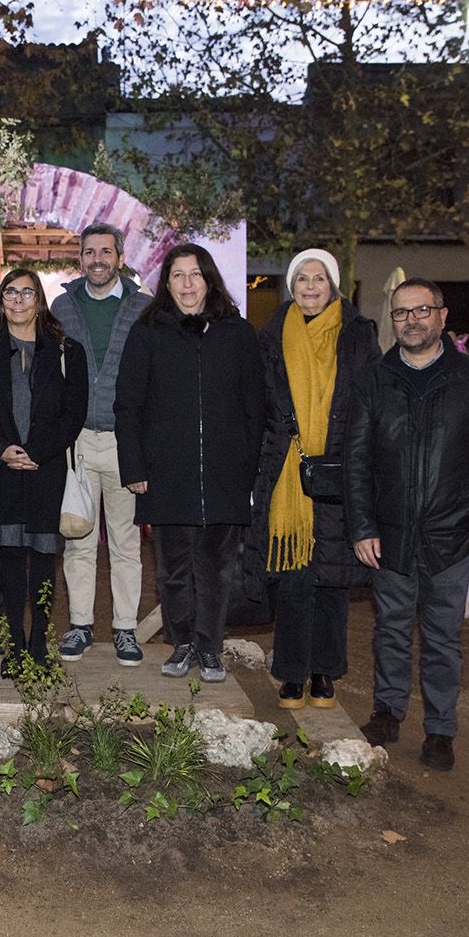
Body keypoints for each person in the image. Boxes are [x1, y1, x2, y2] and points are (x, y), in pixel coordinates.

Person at [345, 277, 469, 771]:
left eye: (422, 310)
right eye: (402, 313)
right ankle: (387, 713)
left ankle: (441, 730)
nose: (412, 320)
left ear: (443, 317)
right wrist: (362, 527)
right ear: (393, 322)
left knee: (443, 638)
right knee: (391, 631)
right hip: (389, 534)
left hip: (452, 534)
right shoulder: (372, 381)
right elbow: (355, 460)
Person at [115, 243, 265, 684]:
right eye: (177, 275)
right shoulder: (148, 331)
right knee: (174, 569)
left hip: (224, 475)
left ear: (209, 279)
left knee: (218, 570)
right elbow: (128, 405)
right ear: (167, 283)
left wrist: (246, 469)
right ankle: (182, 643)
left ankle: (210, 648)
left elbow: (254, 406)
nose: (186, 284)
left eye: (194, 274)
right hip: (166, 474)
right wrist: (135, 468)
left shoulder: (237, 334)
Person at [248, 248, 380, 710]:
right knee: (293, 577)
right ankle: (291, 672)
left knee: (333, 577)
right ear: (291, 285)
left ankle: (325, 672)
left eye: (318, 279)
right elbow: (259, 402)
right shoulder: (270, 335)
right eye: (301, 278)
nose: (309, 287)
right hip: (286, 468)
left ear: (333, 285)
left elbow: (371, 401)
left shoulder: (358, 334)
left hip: (341, 468)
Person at [0, 269, 87, 675]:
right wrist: (3, 449)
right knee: (7, 563)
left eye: (27, 292)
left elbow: (74, 413)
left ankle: (40, 642)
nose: (19, 300)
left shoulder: (66, 350)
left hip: (46, 469)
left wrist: (37, 451)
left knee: (42, 560)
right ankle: (14, 647)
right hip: (2, 470)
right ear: (1, 301)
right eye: (11, 292)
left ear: (39, 299)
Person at [50, 222, 152, 667]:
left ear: (120, 257)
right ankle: (79, 625)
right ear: (81, 258)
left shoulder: (144, 308)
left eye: (105, 252)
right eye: (89, 252)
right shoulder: (62, 306)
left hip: (124, 441)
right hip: (77, 442)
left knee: (127, 542)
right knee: (78, 538)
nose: (97, 259)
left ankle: (126, 629)